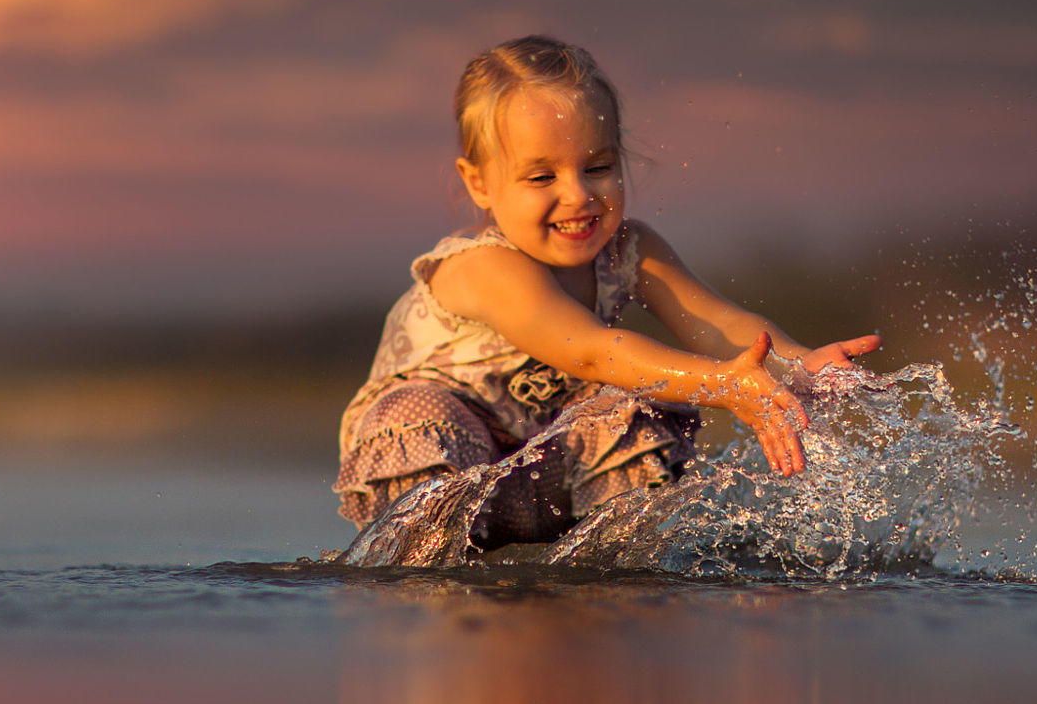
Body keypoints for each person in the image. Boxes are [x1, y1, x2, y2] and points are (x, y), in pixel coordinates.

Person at [335, 34, 879, 549]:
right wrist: (724, 386)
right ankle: (422, 580)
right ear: (479, 183)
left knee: (623, 411)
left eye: (597, 167)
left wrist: (799, 367)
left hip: (545, 465)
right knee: (417, 411)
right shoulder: (484, 268)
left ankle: (615, 585)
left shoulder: (630, 249)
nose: (578, 196)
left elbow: (720, 325)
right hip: (446, 458)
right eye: (541, 178)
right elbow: (591, 350)